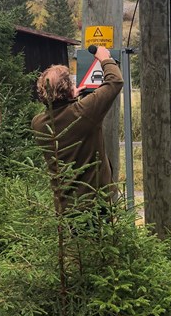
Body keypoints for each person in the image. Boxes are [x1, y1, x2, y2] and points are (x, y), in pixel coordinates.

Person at [31, 46, 123, 213]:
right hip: (95, 204)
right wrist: (105, 59)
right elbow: (114, 82)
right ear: (67, 90)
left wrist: (70, 98)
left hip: (65, 206)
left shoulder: (38, 123)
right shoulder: (83, 113)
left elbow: (62, 115)